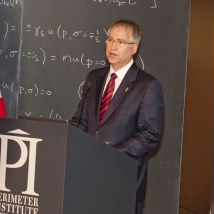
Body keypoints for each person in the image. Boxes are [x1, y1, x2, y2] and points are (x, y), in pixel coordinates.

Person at [69, 19, 165, 214]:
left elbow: (150, 133)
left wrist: (110, 154)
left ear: (134, 48)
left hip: (122, 177)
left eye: (120, 42)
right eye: (110, 40)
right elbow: (81, 121)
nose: (113, 46)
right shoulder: (94, 77)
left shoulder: (147, 85)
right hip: (88, 175)